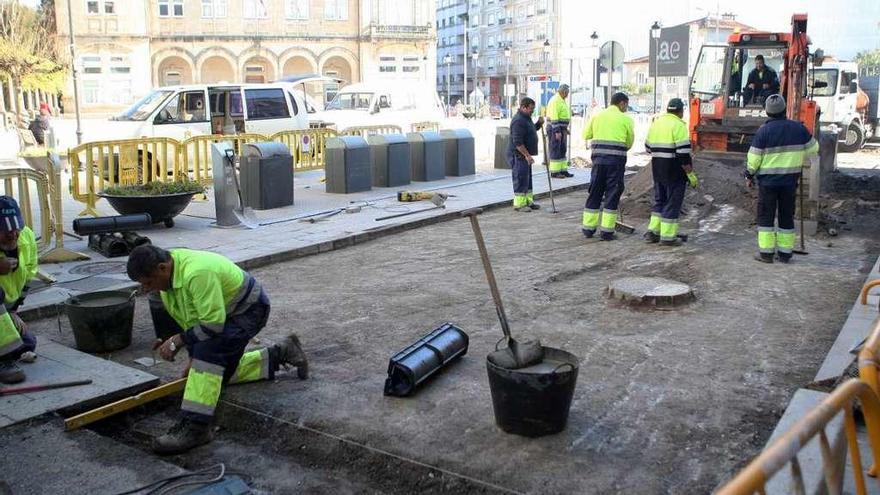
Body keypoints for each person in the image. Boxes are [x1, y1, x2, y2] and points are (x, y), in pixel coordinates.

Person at [126, 244, 309, 454]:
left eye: (149, 283)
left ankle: (196, 427)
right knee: (210, 374)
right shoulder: (169, 279)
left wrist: (179, 342)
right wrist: (192, 356)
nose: (148, 289)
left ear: (162, 268)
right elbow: (193, 320)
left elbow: (212, 326)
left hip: (248, 310)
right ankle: (281, 353)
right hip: (224, 315)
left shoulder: (197, 273)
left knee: (209, 359)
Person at [746, 94, 819, 263]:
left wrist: (749, 174)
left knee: (766, 217)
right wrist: (799, 153)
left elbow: (754, 158)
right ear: (784, 109)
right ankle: (785, 254)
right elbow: (814, 148)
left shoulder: (763, 131)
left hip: (768, 183)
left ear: (767, 112)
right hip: (789, 182)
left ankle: (766, 254)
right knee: (786, 216)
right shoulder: (798, 128)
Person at [643, 99, 699, 246]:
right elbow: (683, 153)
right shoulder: (679, 125)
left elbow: (648, 148)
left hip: (657, 168)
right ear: (681, 111)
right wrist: (690, 173)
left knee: (660, 200)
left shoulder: (657, 123)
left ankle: (653, 232)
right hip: (674, 170)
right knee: (672, 202)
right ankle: (668, 237)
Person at [581, 92, 634, 240]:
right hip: (616, 163)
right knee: (612, 194)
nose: (626, 108)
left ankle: (588, 228)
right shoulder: (626, 119)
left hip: (598, 162)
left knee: (595, 192)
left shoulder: (597, 116)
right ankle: (606, 231)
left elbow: (585, 135)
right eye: (626, 105)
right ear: (622, 103)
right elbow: (629, 143)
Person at [0, 197, 39, 384]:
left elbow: (29, 273)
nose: (13, 235)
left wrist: (13, 310)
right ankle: (4, 362)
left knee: (28, 344)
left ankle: (7, 353)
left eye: (17, 228)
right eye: (5, 230)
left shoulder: (27, 236)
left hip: (4, 311)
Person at [507, 97, 544, 212]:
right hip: (518, 155)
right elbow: (517, 142)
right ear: (523, 107)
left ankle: (528, 201)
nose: (532, 111)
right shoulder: (518, 121)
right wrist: (527, 155)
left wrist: (538, 124)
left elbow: (531, 130)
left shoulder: (526, 118)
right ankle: (520, 204)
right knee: (520, 178)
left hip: (524, 155)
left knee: (527, 179)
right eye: (531, 109)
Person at [545, 84, 574, 178]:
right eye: (567, 93)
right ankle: (554, 172)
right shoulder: (555, 101)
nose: (568, 94)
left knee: (562, 149)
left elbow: (562, 115)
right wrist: (557, 131)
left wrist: (565, 128)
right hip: (555, 129)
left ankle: (563, 170)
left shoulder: (562, 100)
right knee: (555, 149)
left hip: (562, 129)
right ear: (564, 92)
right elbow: (554, 117)